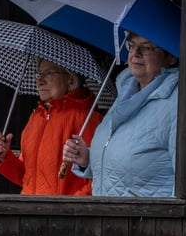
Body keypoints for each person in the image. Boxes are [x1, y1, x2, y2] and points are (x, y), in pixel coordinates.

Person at [61, 32, 178, 197]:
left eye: (146, 47)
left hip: (148, 220)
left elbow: (185, 181)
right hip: (110, 218)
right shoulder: (125, 93)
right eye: (132, 45)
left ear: (171, 57)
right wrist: (88, 158)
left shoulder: (176, 102)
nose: (135, 53)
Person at [0, 59, 102, 195]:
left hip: (62, 214)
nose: (39, 81)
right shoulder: (36, 117)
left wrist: (69, 209)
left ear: (70, 81)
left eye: (48, 74)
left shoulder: (87, 118)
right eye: (39, 74)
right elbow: (27, 177)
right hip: (31, 211)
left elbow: (98, 178)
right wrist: (4, 156)